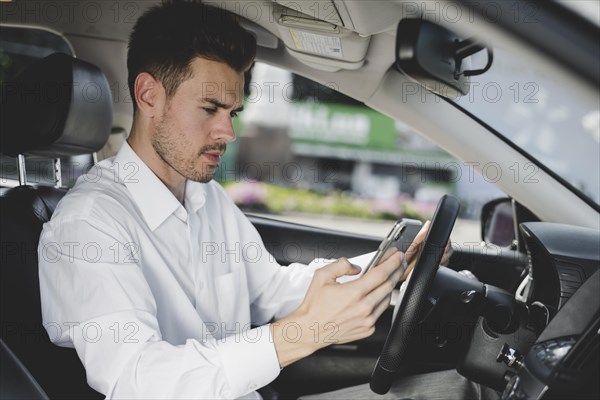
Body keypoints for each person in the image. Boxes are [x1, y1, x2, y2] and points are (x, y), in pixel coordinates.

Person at [39, 2, 481, 400]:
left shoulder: (206, 198)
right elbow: (137, 380)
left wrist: (390, 265)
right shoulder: (87, 225)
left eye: (231, 113)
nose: (227, 133)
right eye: (210, 108)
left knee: (462, 389)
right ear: (149, 95)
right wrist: (304, 332)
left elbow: (271, 289)